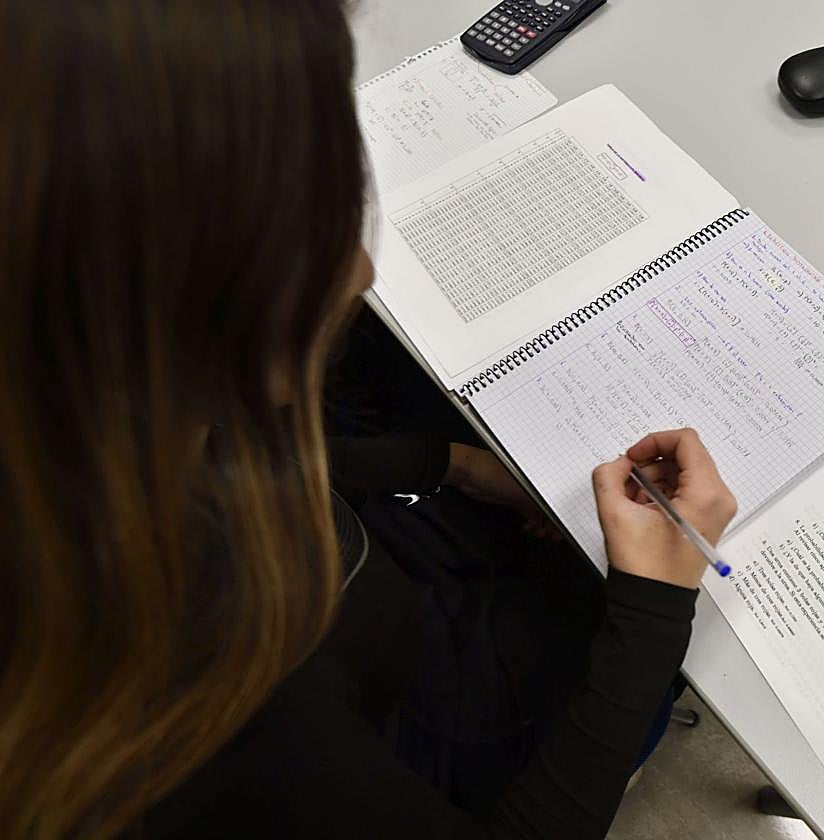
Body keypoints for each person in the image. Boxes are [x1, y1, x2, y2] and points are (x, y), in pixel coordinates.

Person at [0, 2, 737, 839]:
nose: (356, 270)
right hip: (419, 720)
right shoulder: (196, 716)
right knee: (695, 644)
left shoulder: (86, 424)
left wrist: (446, 462)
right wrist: (652, 608)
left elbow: (248, 459)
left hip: (355, 593)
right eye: (295, 229)